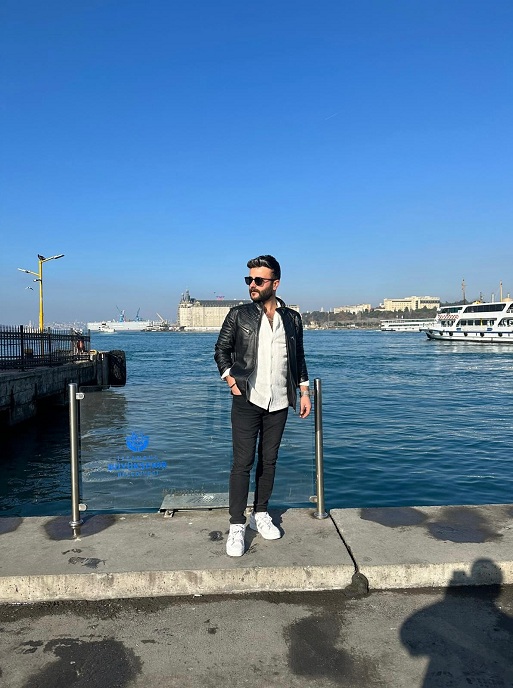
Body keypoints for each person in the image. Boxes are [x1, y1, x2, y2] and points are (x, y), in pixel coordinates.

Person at [214, 254, 311, 557]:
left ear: (275, 283)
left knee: (269, 461)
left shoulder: (292, 319)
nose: (252, 285)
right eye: (249, 280)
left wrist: (304, 391)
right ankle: (236, 525)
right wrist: (232, 382)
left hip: (279, 401)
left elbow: (298, 358)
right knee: (242, 463)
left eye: (258, 280)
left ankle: (261, 513)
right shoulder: (238, 315)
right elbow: (221, 350)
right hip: (247, 398)